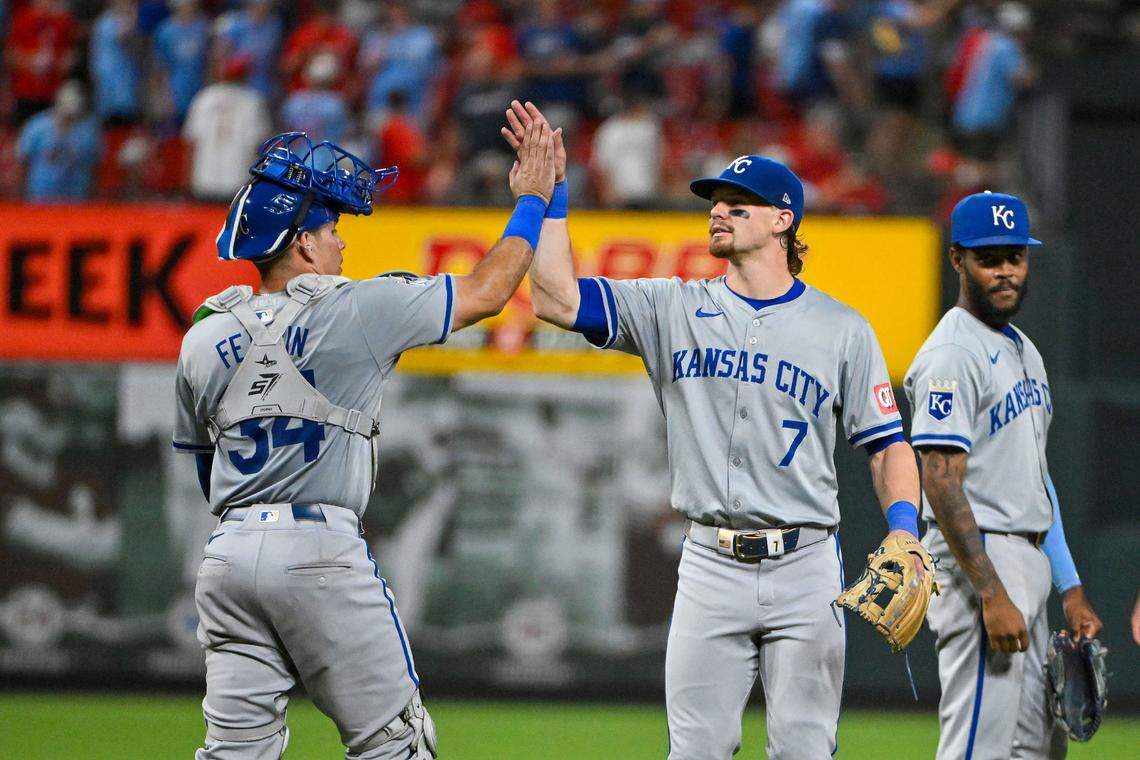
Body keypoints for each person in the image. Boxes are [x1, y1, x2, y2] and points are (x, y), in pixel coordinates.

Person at [502, 100, 922, 759]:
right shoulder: (672, 305)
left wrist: (904, 530)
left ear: (785, 219)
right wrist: (551, 199)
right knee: (694, 752)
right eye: (716, 200)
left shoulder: (842, 329)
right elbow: (555, 298)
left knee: (805, 751)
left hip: (806, 561)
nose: (718, 210)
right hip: (708, 561)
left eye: (739, 202)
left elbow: (887, 446)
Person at [173, 124, 556, 758]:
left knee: (236, 752)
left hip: (227, 559)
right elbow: (489, 291)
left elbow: (201, 464)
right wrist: (533, 200)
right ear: (302, 244)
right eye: (331, 234)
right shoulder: (352, 309)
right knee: (395, 744)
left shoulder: (203, 334)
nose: (341, 246)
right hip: (317, 547)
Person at [903, 191, 1103, 759]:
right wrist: (990, 592)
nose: (1006, 270)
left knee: (1036, 749)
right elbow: (940, 480)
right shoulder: (952, 353)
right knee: (980, 744)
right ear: (958, 260)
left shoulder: (1024, 351)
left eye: (1015, 256)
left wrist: (1069, 586)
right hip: (982, 558)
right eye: (990, 258)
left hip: (1029, 556)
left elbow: (1037, 480)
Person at [183, 55, 271, 201]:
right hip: (238, 180)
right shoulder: (253, 101)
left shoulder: (204, 97)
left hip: (204, 179)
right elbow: (260, 145)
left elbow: (191, 142)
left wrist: (187, 181)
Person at [16, 80, 102, 202]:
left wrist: (92, 198)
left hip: (75, 199)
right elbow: (23, 161)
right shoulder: (37, 127)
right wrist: (22, 195)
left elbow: (95, 167)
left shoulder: (88, 131)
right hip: (40, 198)